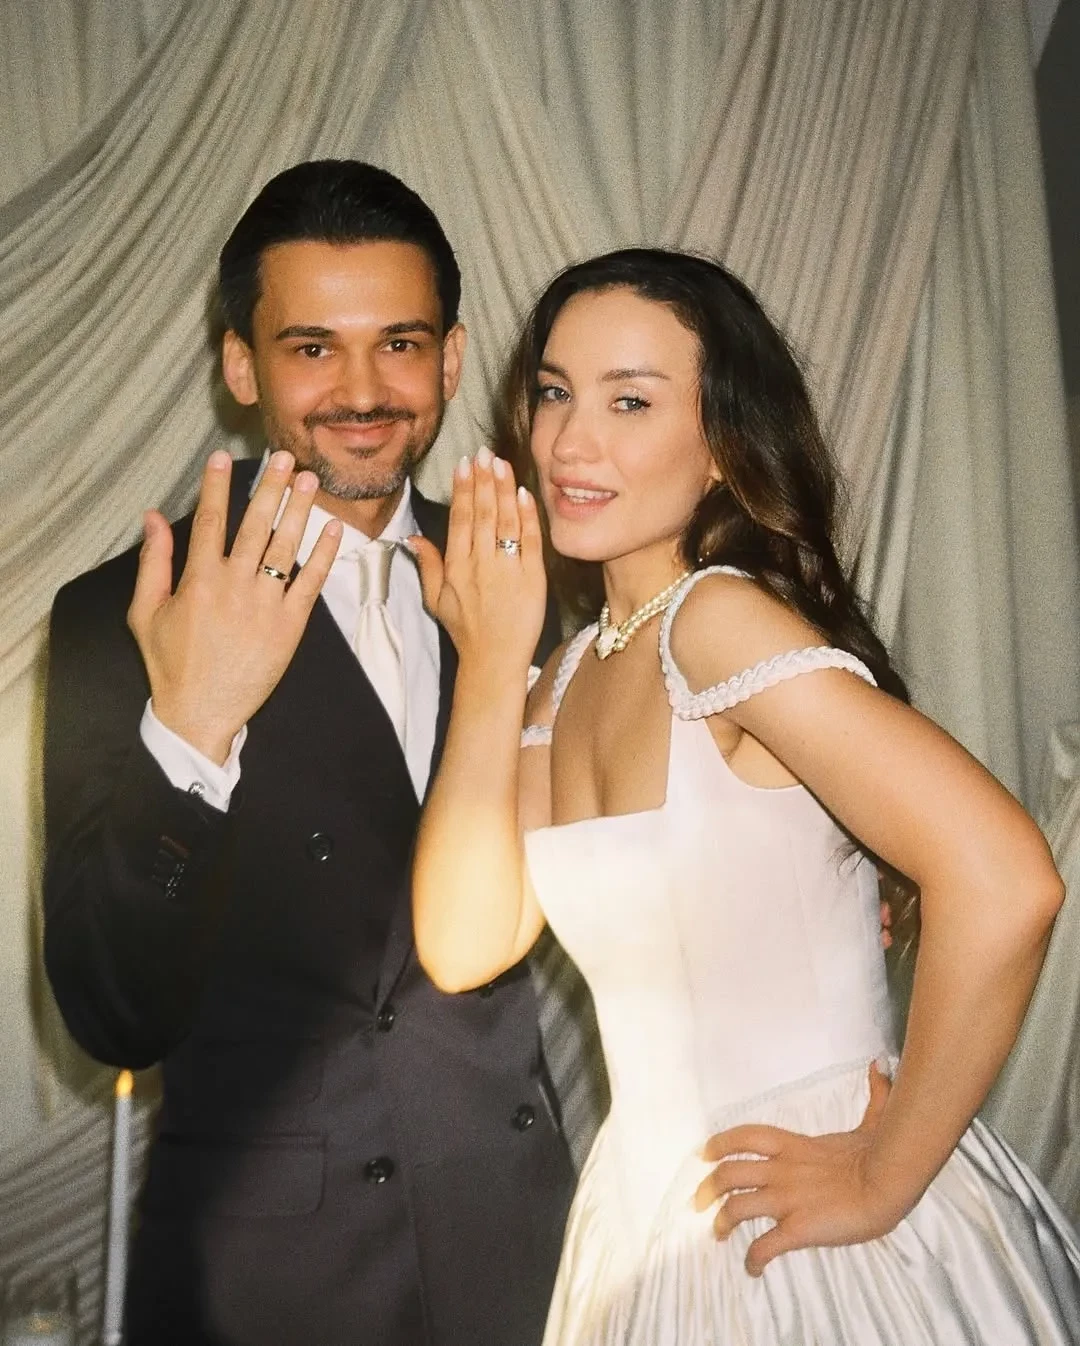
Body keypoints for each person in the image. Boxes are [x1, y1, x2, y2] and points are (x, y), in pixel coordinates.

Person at [410, 247, 1080, 1344]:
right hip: (645, 1222)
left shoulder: (716, 623)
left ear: (722, 442)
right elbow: (461, 943)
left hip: (809, 1212)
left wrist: (883, 1171)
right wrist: (490, 666)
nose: (571, 442)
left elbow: (1008, 878)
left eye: (630, 400)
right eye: (555, 392)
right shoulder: (566, 675)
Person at [41, 160, 576, 1346]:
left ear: (452, 356)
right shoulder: (122, 613)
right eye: (313, 348)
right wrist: (192, 730)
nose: (364, 390)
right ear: (241, 365)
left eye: (400, 343)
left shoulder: (529, 574)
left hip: (523, 1256)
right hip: (268, 1285)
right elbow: (112, 1013)